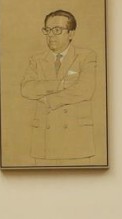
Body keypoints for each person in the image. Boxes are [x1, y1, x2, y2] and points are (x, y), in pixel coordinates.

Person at [20, 9, 97, 165]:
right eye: (47, 30)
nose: (50, 35)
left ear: (71, 34)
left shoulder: (86, 56)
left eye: (57, 30)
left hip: (76, 138)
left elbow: (85, 90)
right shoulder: (36, 59)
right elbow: (26, 88)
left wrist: (49, 100)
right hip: (44, 141)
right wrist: (61, 84)